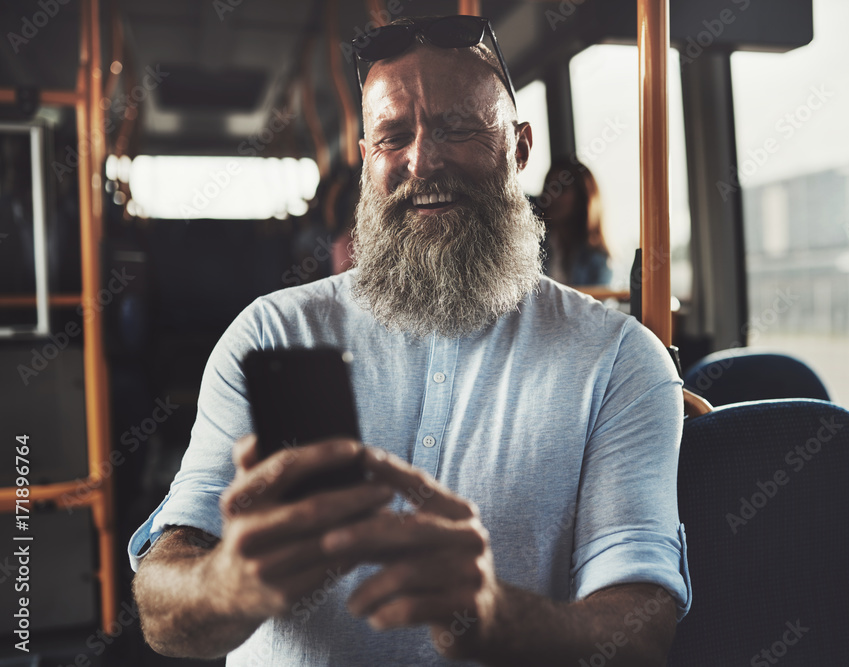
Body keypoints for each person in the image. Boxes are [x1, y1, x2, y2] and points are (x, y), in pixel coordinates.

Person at [130, 15, 690, 666]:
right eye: (394, 136)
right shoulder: (270, 330)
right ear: (368, 161)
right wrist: (227, 582)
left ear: (520, 147)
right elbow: (161, 604)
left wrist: (494, 618)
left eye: (457, 127)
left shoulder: (619, 359)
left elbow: (641, 626)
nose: (424, 160)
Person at [539, 159, 613, 286]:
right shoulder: (533, 246)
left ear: (582, 197)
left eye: (561, 189)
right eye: (548, 188)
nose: (551, 196)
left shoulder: (597, 259)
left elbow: (595, 304)